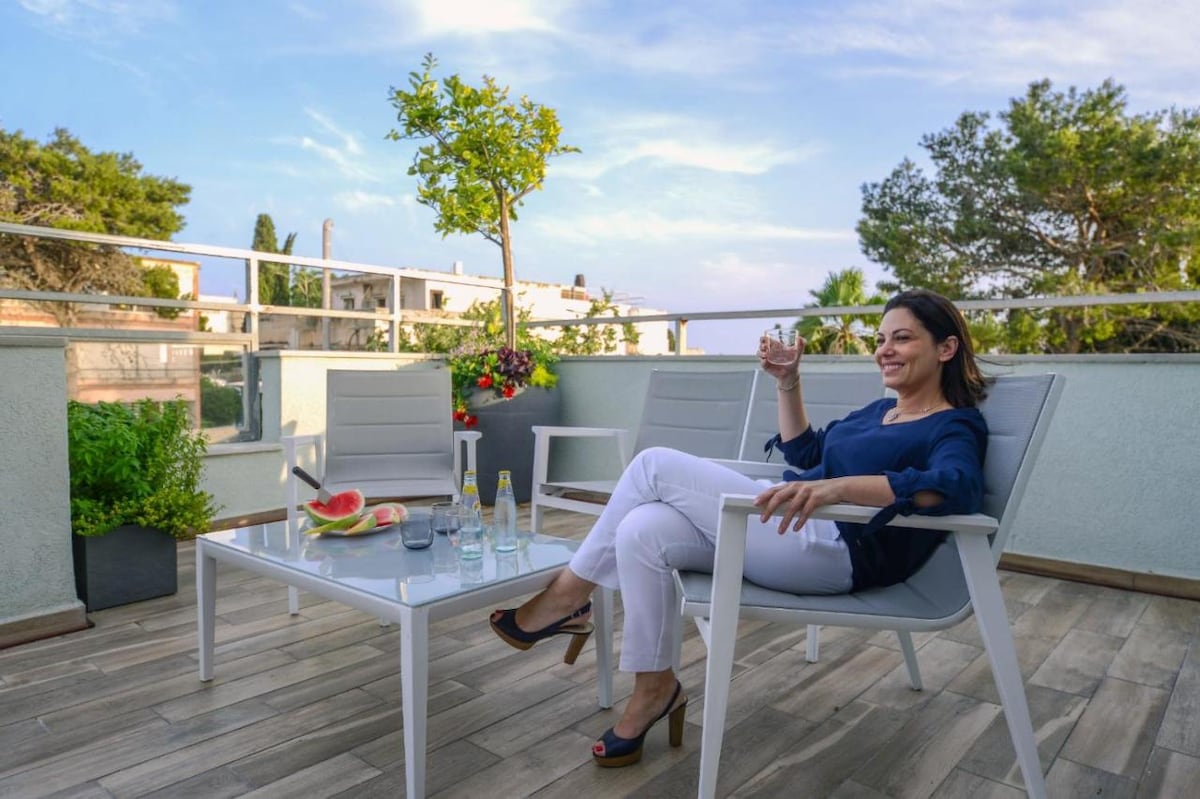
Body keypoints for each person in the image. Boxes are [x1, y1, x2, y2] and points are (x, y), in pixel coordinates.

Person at [488, 289, 990, 768]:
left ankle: (566, 597)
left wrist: (838, 489)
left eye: (902, 338)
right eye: (880, 339)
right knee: (642, 528)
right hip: (791, 526)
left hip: (836, 549)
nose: (885, 350)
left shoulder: (954, 424)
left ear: (946, 348)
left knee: (652, 464)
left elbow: (956, 486)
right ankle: (654, 688)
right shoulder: (881, 412)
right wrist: (788, 380)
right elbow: (807, 454)